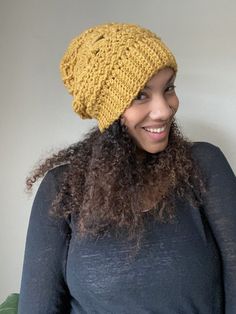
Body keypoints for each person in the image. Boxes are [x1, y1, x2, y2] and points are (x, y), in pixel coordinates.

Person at [18, 23, 236, 314]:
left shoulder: (203, 165)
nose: (164, 109)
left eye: (168, 88)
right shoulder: (63, 188)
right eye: (141, 95)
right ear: (108, 111)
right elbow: (37, 307)